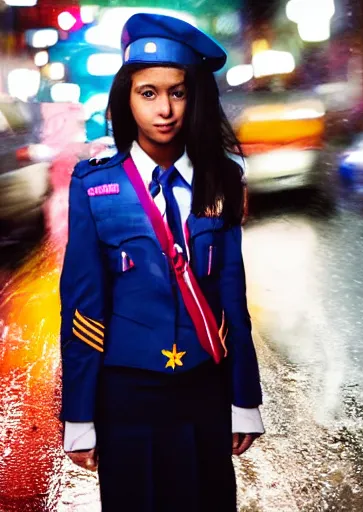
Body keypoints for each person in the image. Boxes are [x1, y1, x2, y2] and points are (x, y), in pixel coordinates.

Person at [59, 12, 264, 511]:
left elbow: (232, 299)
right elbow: (82, 309)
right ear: (126, 100)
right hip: (126, 392)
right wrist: (80, 416)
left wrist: (244, 401)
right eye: (147, 93)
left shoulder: (221, 182)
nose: (165, 109)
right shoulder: (94, 186)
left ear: (194, 99)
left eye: (178, 91)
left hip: (204, 390)